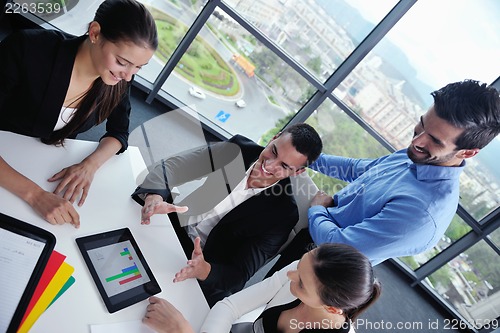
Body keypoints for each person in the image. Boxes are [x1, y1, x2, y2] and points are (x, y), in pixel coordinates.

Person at [268, 79, 500, 275]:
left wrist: (317, 209)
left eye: (435, 140)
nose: (417, 141)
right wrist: (303, 157)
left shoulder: (423, 213)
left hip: (323, 271)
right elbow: (357, 169)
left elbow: (339, 246)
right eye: (421, 126)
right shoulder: (416, 156)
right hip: (317, 230)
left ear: (468, 152)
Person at [0, 0, 158, 228]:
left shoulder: (116, 79)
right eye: (123, 62)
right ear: (94, 33)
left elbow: (119, 132)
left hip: (39, 164)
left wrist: (89, 165)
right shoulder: (28, 48)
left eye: (138, 68)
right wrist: (35, 196)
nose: (128, 76)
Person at [131, 123, 323, 306]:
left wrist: (203, 269)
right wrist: (154, 196)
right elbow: (174, 167)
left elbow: (238, 275)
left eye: (284, 166)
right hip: (171, 227)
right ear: (274, 138)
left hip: (199, 268)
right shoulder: (239, 149)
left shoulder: (283, 215)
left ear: (297, 172)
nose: (270, 165)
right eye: (273, 151)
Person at [142, 242, 382, 333]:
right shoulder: (304, 270)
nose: (289, 275)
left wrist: (182, 331)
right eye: (299, 265)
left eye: (300, 283)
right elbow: (230, 306)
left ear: (331, 308)